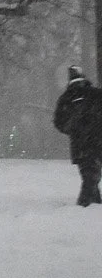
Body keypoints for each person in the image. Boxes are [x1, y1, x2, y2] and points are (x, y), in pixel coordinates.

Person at [52, 65, 102, 206]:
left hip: (79, 144)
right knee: (92, 176)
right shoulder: (96, 94)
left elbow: (59, 123)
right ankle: (89, 204)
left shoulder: (66, 98)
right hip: (98, 141)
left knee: (89, 175)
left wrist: (74, 129)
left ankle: (89, 204)